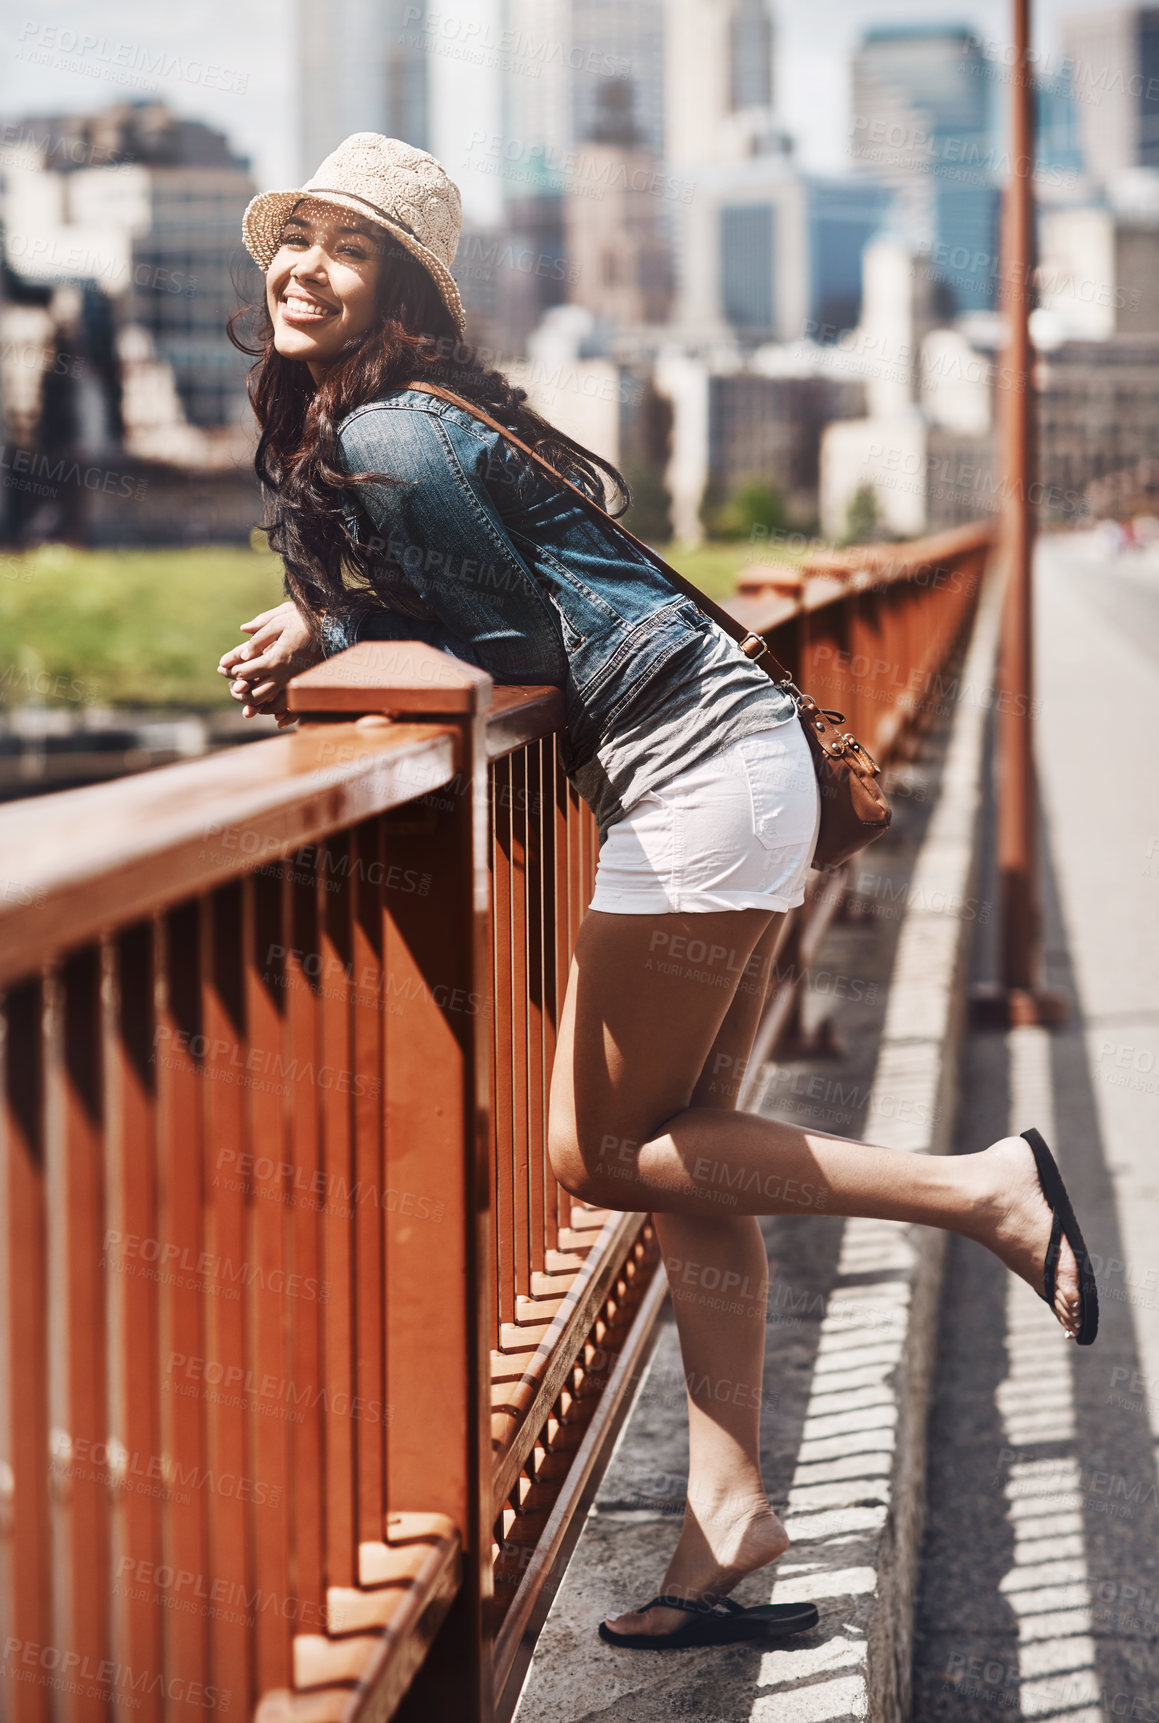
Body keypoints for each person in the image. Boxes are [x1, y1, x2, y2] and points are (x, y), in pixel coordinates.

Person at [219, 133, 1098, 1652]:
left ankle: (984, 1191)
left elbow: (522, 660)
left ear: (402, 289)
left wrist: (341, 629)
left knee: (605, 1150)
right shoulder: (404, 428)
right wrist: (325, 616)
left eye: (344, 248)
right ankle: (727, 1520)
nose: (303, 267)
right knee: (698, 1152)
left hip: (692, 775)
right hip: (724, 760)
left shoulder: (389, 443)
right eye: (291, 238)